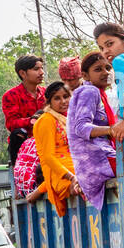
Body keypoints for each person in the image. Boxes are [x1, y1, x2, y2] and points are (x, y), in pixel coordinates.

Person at [67, 52, 120, 210]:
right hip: (97, 159)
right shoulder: (90, 92)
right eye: (98, 69)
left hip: (93, 161)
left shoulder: (97, 92)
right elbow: (81, 127)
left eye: (108, 68)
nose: (105, 72)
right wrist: (112, 130)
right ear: (85, 75)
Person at [34, 81, 81, 216]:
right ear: (49, 102)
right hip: (61, 174)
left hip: (76, 165)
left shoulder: (68, 118)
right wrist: (72, 178)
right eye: (57, 98)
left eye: (66, 96)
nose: (63, 101)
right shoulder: (46, 120)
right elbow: (48, 157)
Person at [2, 54, 46, 168]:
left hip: (47, 141)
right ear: (22, 73)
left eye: (42, 68)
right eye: (36, 69)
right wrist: (31, 121)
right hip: (24, 144)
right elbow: (11, 123)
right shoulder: (11, 95)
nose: (41, 72)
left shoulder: (47, 94)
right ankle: (18, 169)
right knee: (18, 133)